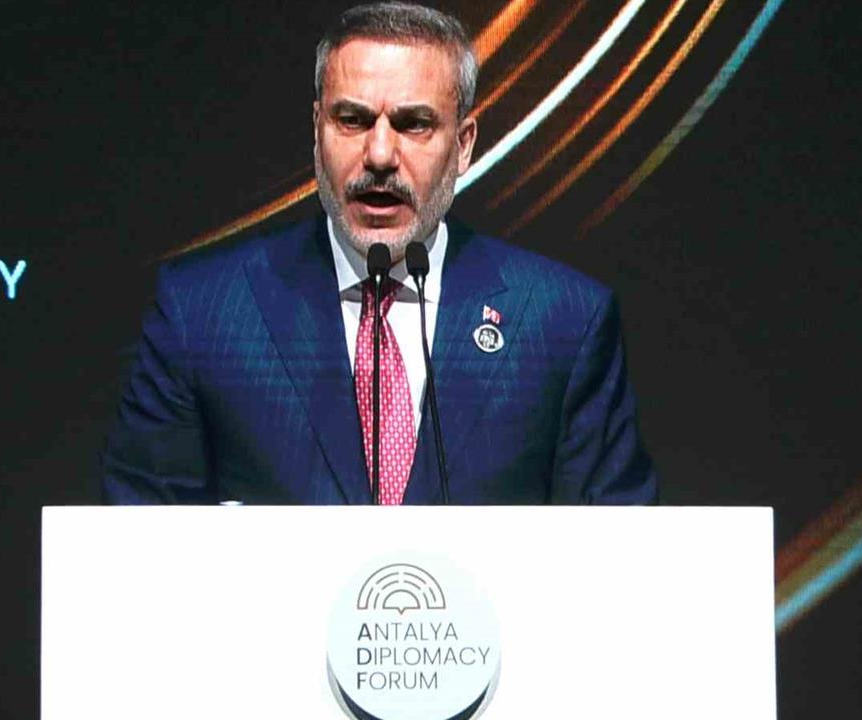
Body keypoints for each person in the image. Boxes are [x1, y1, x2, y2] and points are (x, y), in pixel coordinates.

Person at [102, 2, 657, 505]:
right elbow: (139, 547)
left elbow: (618, 556)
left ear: (463, 144)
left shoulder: (563, 321)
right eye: (353, 120)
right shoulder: (202, 314)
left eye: (414, 124)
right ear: (316, 131)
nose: (381, 154)